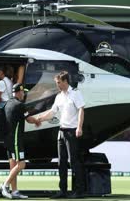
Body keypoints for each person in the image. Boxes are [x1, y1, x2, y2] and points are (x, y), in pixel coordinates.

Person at [38, 71, 85, 199]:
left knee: (74, 161)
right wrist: (39, 119)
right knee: (61, 163)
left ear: (65, 81)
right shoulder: (59, 96)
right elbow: (52, 112)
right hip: (62, 131)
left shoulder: (75, 93)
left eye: (59, 82)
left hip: (72, 131)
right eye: (56, 83)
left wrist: (79, 127)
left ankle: (79, 191)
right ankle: (62, 191)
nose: (57, 85)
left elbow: (81, 109)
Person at [0, 83, 41, 199]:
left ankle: (15, 191)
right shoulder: (19, 105)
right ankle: (5, 186)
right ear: (19, 92)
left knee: (13, 167)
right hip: (16, 140)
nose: (24, 94)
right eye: (23, 92)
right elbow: (29, 120)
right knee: (22, 164)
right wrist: (37, 121)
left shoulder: (8, 103)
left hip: (8, 140)